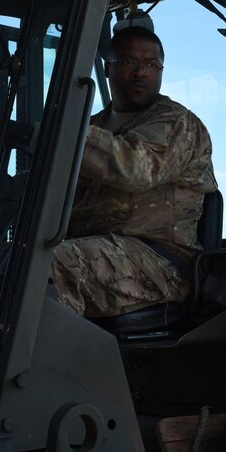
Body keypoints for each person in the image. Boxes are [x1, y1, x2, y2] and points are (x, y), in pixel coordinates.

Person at [51, 26, 217, 317]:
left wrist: (60, 130)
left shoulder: (177, 123)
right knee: (5, 260)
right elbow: (52, 186)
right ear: (108, 68)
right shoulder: (94, 125)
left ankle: (42, 361)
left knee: (51, 265)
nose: (141, 72)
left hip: (159, 264)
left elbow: (135, 168)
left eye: (152, 65)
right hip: (100, 251)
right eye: (129, 62)